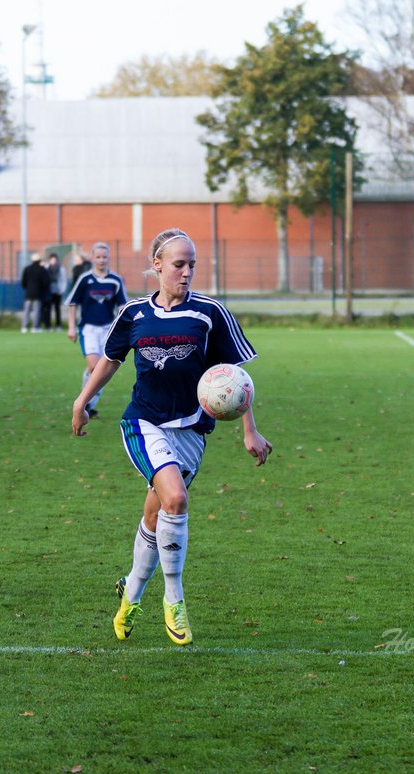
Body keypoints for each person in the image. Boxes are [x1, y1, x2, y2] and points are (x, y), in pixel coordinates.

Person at [71, 228, 272, 646]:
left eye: (192, 265)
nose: (186, 273)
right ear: (157, 265)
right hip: (143, 423)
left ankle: (130, 597)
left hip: (192, 430)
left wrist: (249, 430)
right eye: (178, 264)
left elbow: (235, 379)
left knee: (154, 515)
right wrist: (82, 400)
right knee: (176, 499)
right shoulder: (133, 314)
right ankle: (174, 599)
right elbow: (109, 361)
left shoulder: (210, 313)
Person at [66, 242, 127, 418]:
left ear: (109, 258)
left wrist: (124, 325)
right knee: (94, 367)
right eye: (98, 257)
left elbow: (122, 305)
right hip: (89, 329)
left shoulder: (115, 280)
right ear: (92, 258)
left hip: (108, 329)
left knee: (103, 369)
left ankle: (88, 405)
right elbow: (72, 302)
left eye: (104, 257)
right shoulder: (85, 279)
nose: (101, 260)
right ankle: (85, 402)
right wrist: (71, 327)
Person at [20, 253, 50, 333]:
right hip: (38, 293)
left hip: (28, 293)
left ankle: (24, 327)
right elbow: (46, 282)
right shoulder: (42, 269)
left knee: (27, 310)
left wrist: (27, 288)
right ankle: (35, 327)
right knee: (37, 311)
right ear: (39, 260)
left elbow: (23, 282)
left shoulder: (27, 269)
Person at [43, 252, 65, 330]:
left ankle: (58, 325)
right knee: (48, 309)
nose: (53, 261)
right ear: (49, 260)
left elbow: (63, 280)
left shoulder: (61, 269)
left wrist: (62, 290)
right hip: (48, 291)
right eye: (52, 260)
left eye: (55, 260)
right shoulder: (46, 268)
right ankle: (48, 326)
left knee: (57, 309)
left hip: (57, 291)